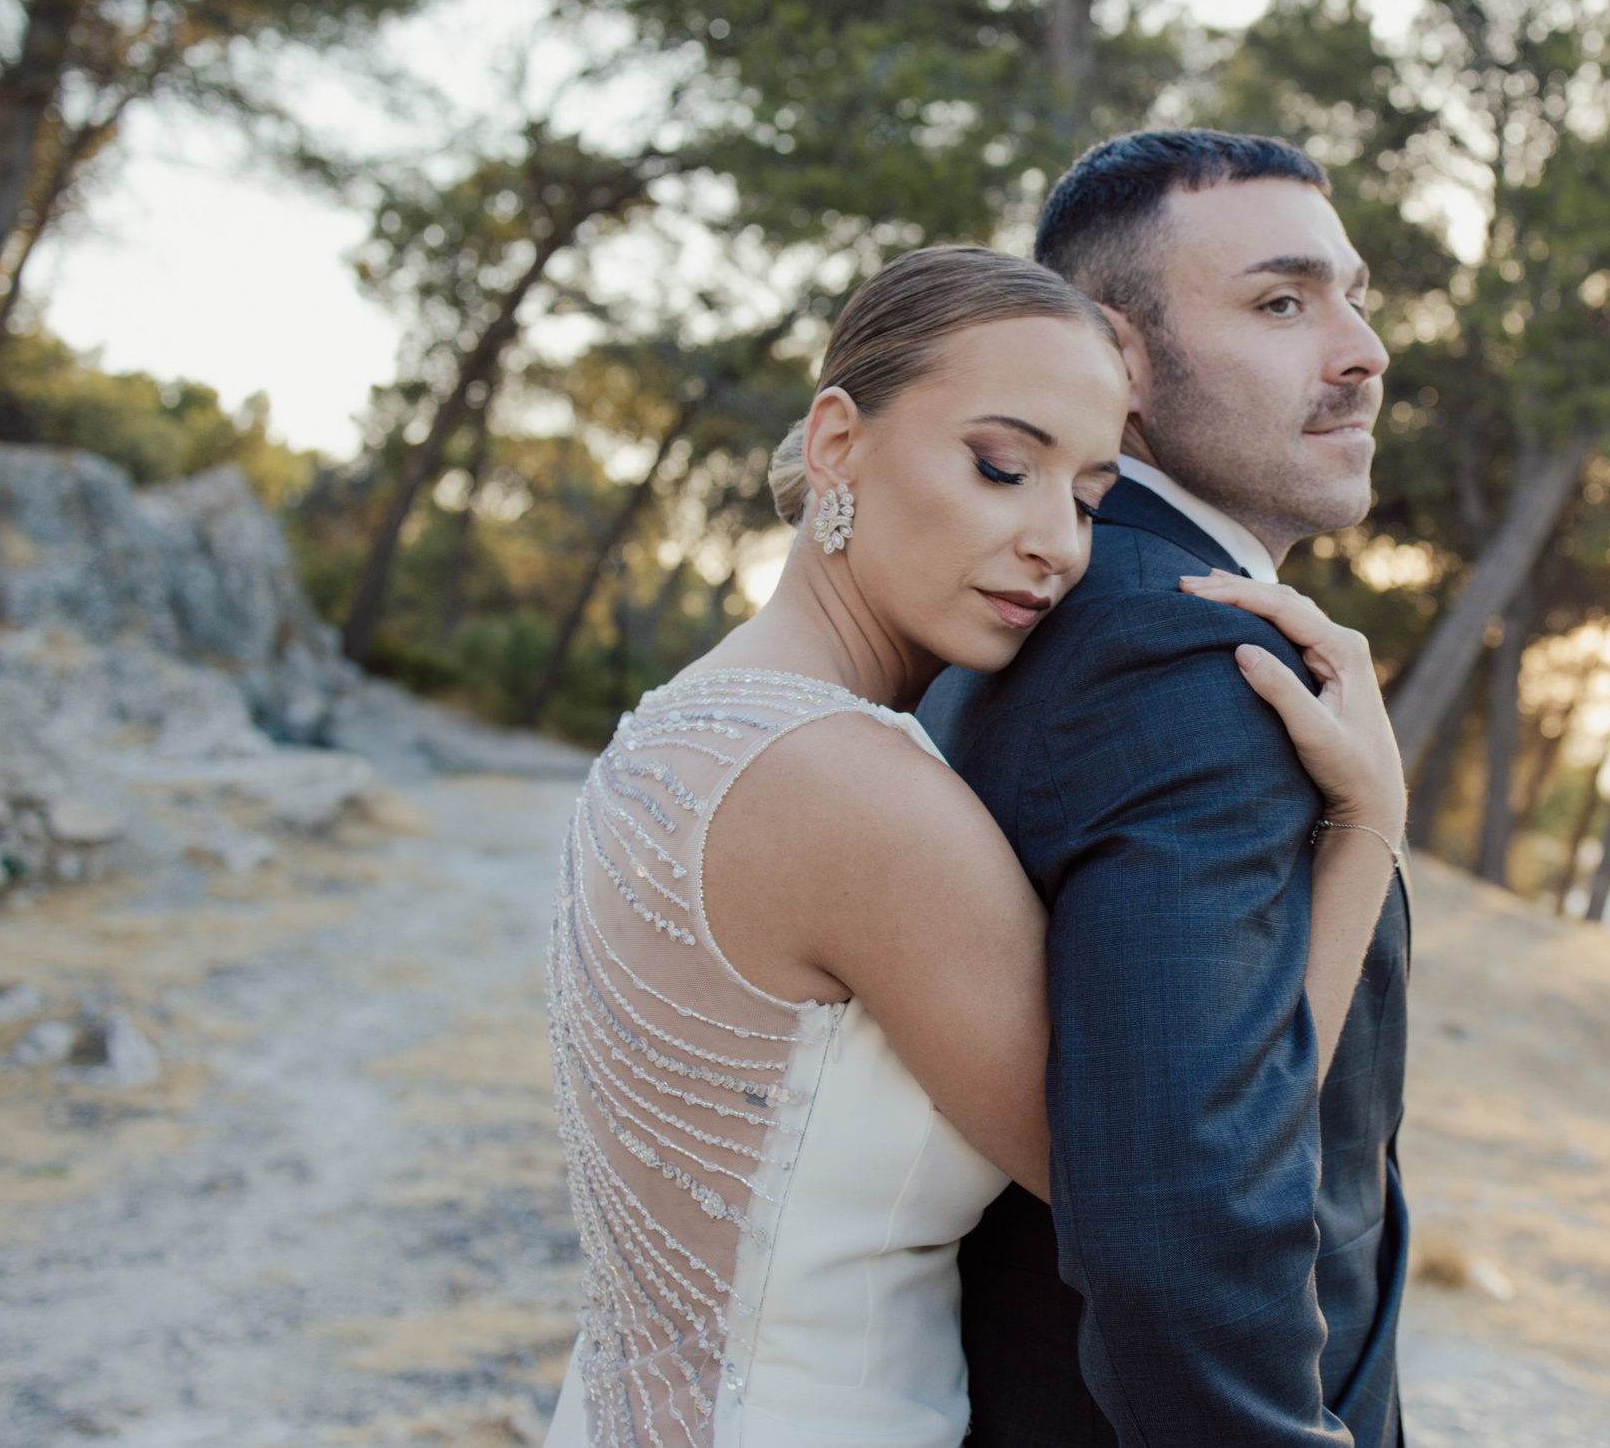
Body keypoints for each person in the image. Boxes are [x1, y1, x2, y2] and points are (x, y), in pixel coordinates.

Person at [543, 242, 1406, 1448]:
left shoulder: (685, 721)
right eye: (1001, 467)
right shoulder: (857, 793)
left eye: (1088, 498)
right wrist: (1364, 831)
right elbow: (1186, 1187)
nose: (1058, 543)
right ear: (836, 441)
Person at [921, 131, 1409, 1448]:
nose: (1362, 350)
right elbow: (1184, 1226)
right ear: (1115, 356)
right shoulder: (1189, 660)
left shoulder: (1039, 605)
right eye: (1282, 302)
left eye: (1353, 295)